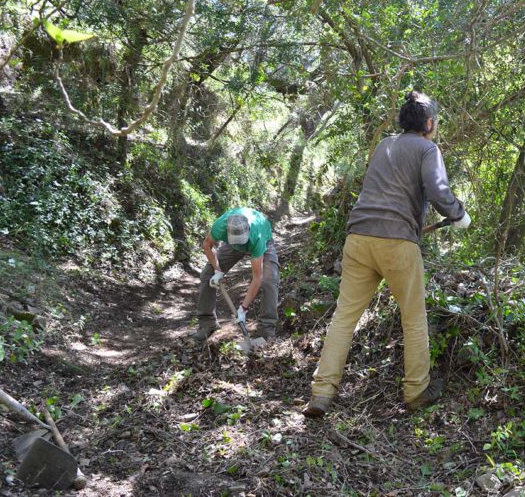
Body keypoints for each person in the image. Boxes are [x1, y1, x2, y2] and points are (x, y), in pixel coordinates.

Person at [303, 91, 470, 418]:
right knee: (413, 316)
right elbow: (438, 191)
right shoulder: (427, 149)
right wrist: (459, 214)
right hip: (397, 244)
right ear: (430, 123)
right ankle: (416, 390)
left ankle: (321, 393)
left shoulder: (384, 145)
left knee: (344, 318)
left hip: (358, 238)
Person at [194, 207, 280, 342]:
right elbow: (207, 245)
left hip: (262, 241)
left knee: (269, 280)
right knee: (207, 274)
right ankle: (207, 323)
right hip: (232, 245)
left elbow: (257, 277)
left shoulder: (256, 236)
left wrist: (243, 308)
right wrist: (217, 270)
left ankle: (266, 329)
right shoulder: (220, 227)